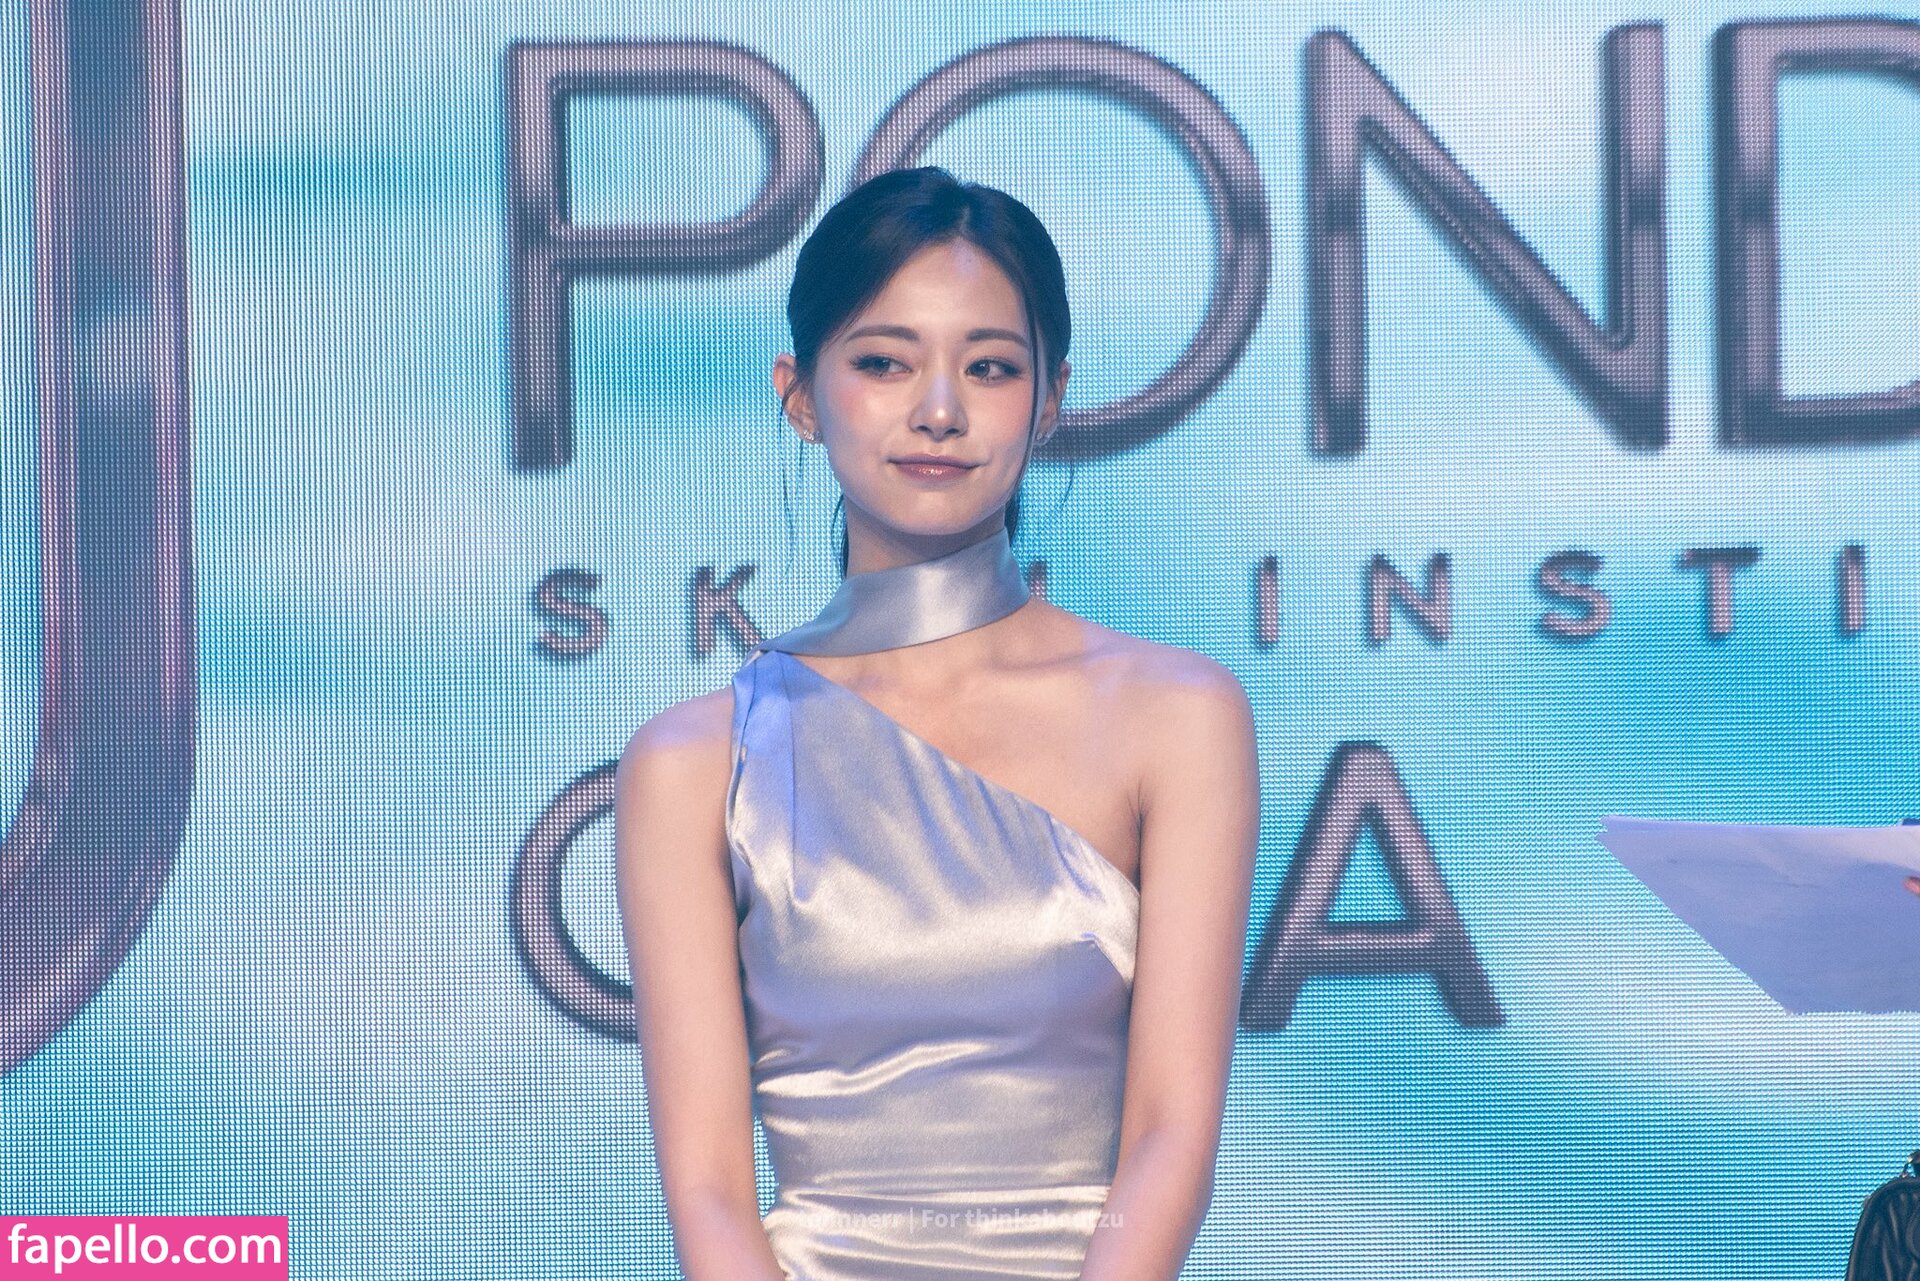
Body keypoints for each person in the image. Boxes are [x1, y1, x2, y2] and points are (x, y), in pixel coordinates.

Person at [614, 166, 1260, 1281]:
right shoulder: (693, 764)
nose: (940, 410)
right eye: (883, 362)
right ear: (799, 395)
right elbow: (709, 1191)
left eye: (991, 367)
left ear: (1049, 399)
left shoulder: (1175, 716)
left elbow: (1171, 1137)